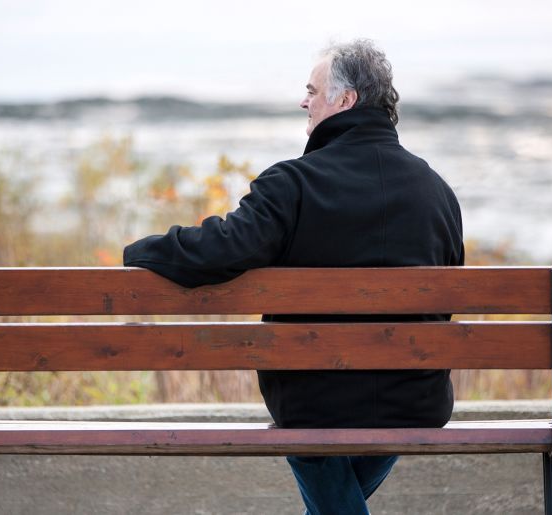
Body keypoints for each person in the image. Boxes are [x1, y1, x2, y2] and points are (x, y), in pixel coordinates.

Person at [123, 39, 464, 514]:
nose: (303, 101)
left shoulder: (293, 184)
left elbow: (221, 251)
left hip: (314, 406)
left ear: (345, 101)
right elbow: (446, 297)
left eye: (312, 90)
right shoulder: (437, 192)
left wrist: (139, 251)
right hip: (414, 401)